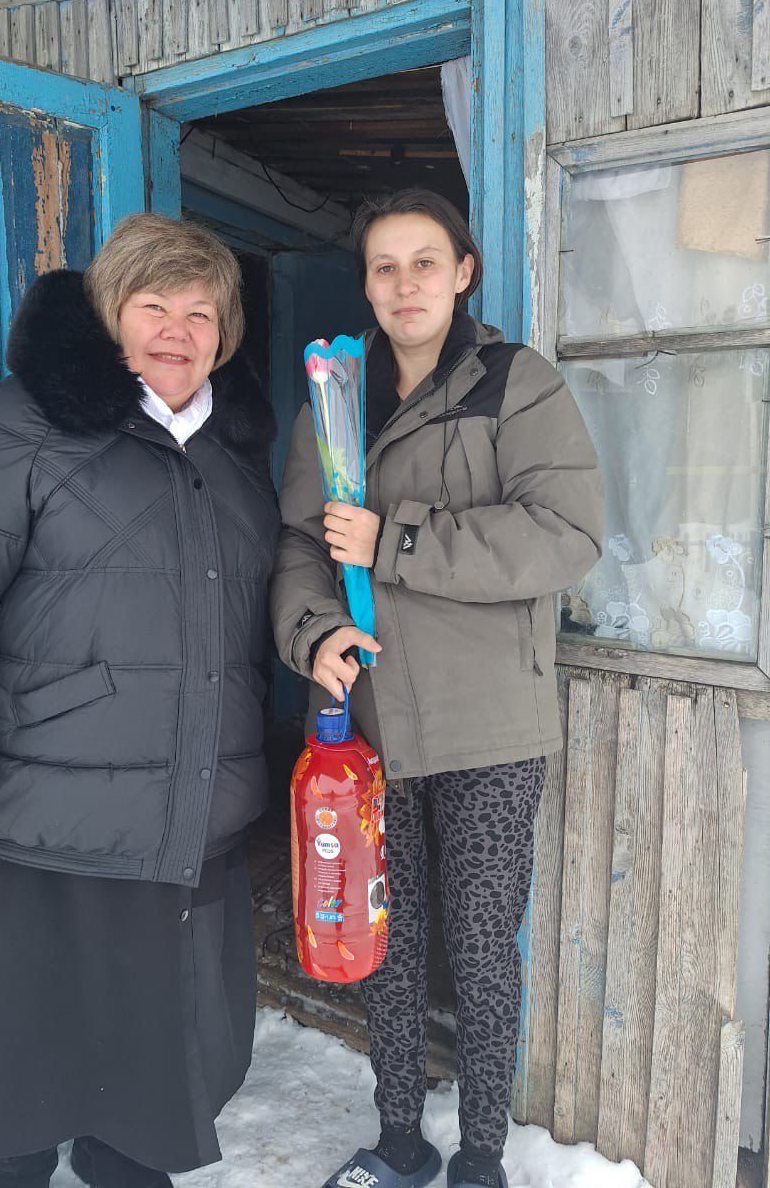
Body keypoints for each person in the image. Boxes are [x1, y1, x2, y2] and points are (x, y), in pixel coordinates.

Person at [0, 213, 279, 1188]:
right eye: (152, 306)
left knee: (147, 1059)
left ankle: (120, 1164)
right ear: (108, 314)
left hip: (182, 824)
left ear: (225, 333)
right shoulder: (24, 424)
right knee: (23, 1056)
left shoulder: (234, 457)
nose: (177, 331)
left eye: (201, 313)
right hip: (34, 822)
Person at [270, 188, 604, 1188]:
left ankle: (483, 1156)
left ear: (463, 274)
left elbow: (565, 534)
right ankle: (401, 1139)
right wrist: (314, 632)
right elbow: (299, 542)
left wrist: (400, 540)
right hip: (368, 724)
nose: (405, 283)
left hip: (487, 725)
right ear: (366, 285)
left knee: (482, 943)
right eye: (385, 266)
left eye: (426, 262)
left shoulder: (514, 384)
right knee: (387, 938)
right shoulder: (333, 396)